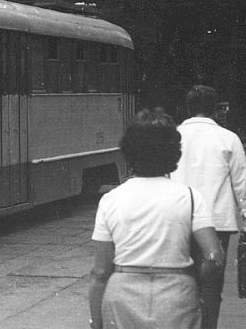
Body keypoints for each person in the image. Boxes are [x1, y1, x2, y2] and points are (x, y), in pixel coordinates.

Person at [89, 109, 225, 329]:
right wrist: (197, 285)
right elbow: (214, 256)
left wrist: (96, 321)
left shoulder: (110, 200)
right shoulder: (190, 197)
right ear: (173, 154)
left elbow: (101, 271)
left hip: (122, 296)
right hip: (177, 295)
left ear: (129, 153)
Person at [171, 85, 246, 329]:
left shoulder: (174, 135)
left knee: (180, 287)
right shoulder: (229, 138)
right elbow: (242, 184)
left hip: (179, 223)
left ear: (187, 108)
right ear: (216, 109)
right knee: (210, 290)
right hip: (216, 226)